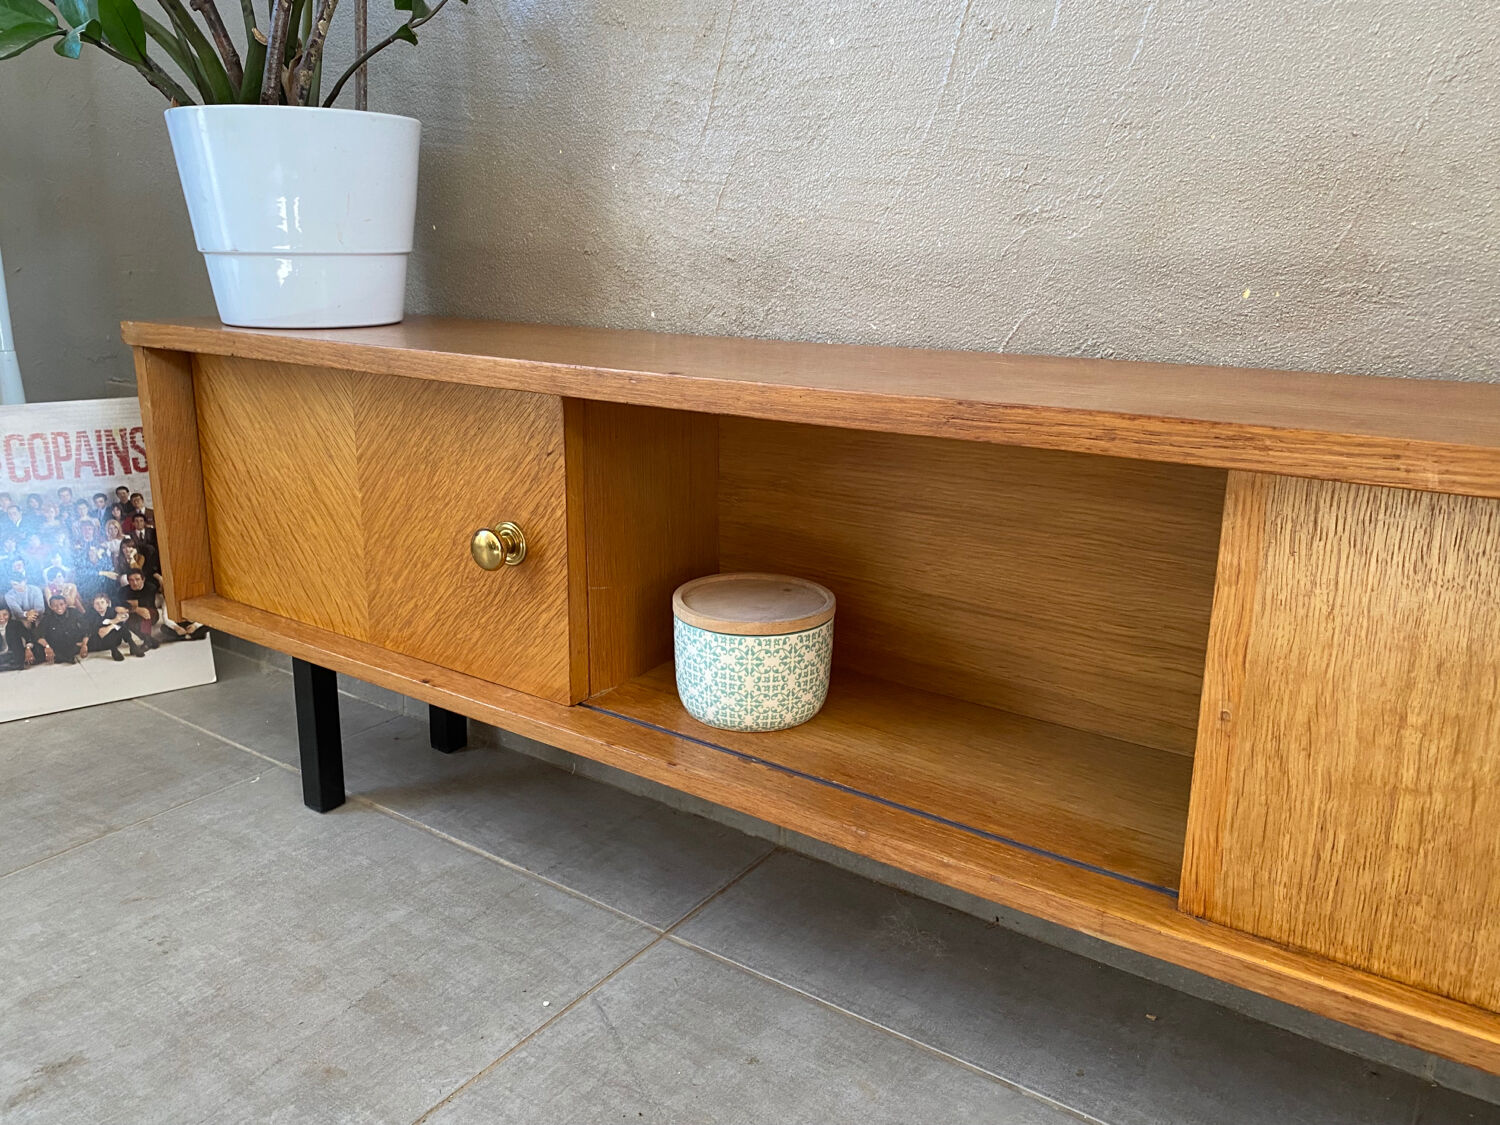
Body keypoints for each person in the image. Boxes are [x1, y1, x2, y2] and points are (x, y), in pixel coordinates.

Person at [83, 593, 146, 660]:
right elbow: (100, 631)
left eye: (102, 602)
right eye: (97, 603)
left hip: (115, 639)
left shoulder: (111, 611)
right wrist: (114, 622)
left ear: (107, 604)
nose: (100, 605)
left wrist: (112, 624)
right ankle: (114, 650)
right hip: (101, 641)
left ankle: (132, 645)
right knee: (106, 631)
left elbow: (122, 620)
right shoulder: (91, 615)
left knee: (122, 627)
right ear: (93, 606)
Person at [35, 593, 89, 665]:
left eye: (61, 604)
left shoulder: (74, 612)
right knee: (38, 652)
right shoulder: (47, 618)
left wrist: (84, 645)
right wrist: (47, 647)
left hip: (74, 642)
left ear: (66, 604)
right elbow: (38, 635)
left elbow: (86, 628)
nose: (59, 607)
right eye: (55, 605)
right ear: (51, 607)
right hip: (56, 645)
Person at [115, 570, 161, 641]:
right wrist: (136, 609)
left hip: (151, 614)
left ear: (143, 579)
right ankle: (147, 639)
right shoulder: (123, 590)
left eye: (137, 579)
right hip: (133, 614)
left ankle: (147, 638)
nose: (135, 583)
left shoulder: (150, 587)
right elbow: (119, 605)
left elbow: (147, 603)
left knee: (145, 611)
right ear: (128, 581)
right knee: (124, 617)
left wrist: (129, 605)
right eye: (131, 580)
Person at [0, 606, 34, 670]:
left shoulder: (16, 624)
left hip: (14, 654)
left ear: (9, 614)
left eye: (5, 615)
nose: (1, 618)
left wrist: (28, 648)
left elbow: (28, 637)